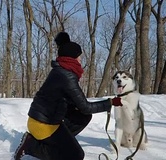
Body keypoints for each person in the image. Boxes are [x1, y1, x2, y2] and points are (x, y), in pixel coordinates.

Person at [13, 32, 123, 160]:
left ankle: (58, 143)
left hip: (42, 120)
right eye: (79, 57)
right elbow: (86, 107)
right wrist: (110, 103)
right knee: (76, 155)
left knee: (83, 116)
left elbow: (69, 102)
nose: (81, 60)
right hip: (42, 125)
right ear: (73, 58)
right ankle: (31, 146)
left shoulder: (59, 71)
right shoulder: (67, 76)